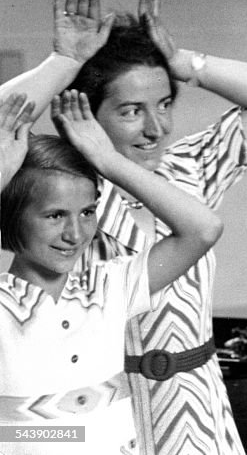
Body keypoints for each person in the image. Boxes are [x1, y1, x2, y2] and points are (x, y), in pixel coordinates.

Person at [0, 0, 247, 453]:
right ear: (84, 112)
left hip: (195, 398)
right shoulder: (65, 188)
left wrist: (184, 65)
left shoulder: (189, 168)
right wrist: (65, 62)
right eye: (131, 111)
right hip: (105, 405)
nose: (155, 128)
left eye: (163, 105)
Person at [0, 91, 222, 455]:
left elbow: (203, 229)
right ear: (10, 214)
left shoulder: (107, 288)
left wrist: (107, 160)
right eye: (55, 215)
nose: (75, 234)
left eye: (87, 212)